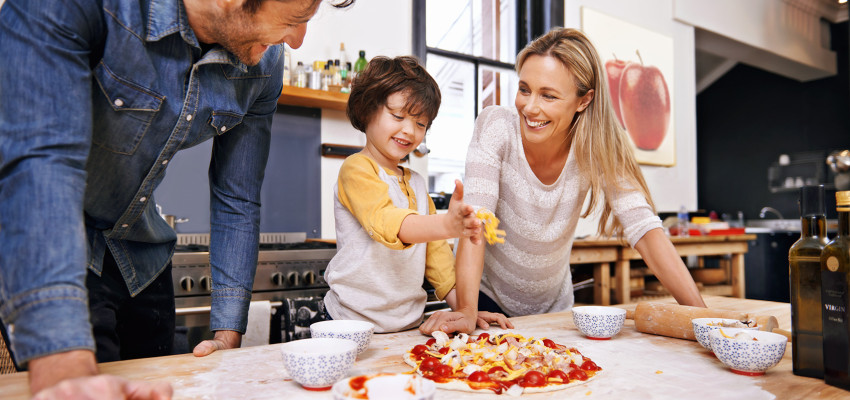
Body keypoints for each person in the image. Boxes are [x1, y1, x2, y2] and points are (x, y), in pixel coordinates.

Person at [0, 0, 353, 398]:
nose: (298, 41)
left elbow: (236, 197)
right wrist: (61, 358)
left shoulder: (265, 67)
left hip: (142, 259)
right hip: (58, 247)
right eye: (294, 20)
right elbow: (42, 162)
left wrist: (226, 335)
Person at [422, 27, 706, 334]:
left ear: (583, 101)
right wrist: (466, 309)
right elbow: (476, 221)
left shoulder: (600, 146)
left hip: (557, 309)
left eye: (548, 95)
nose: (530, 107)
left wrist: (704, 319)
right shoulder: (496, 127)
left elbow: (646, 231)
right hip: (484, 304)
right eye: (525, 89)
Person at [322, 56, 512, 333]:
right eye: (398, 116)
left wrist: (465, 311)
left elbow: (438, 260)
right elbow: (386, 221)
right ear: (366, 110)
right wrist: (447, 224)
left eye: (421, 124)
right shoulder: (357, 169)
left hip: (407, 324)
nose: (410, 131)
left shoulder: (418, 184)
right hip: (349, 323)